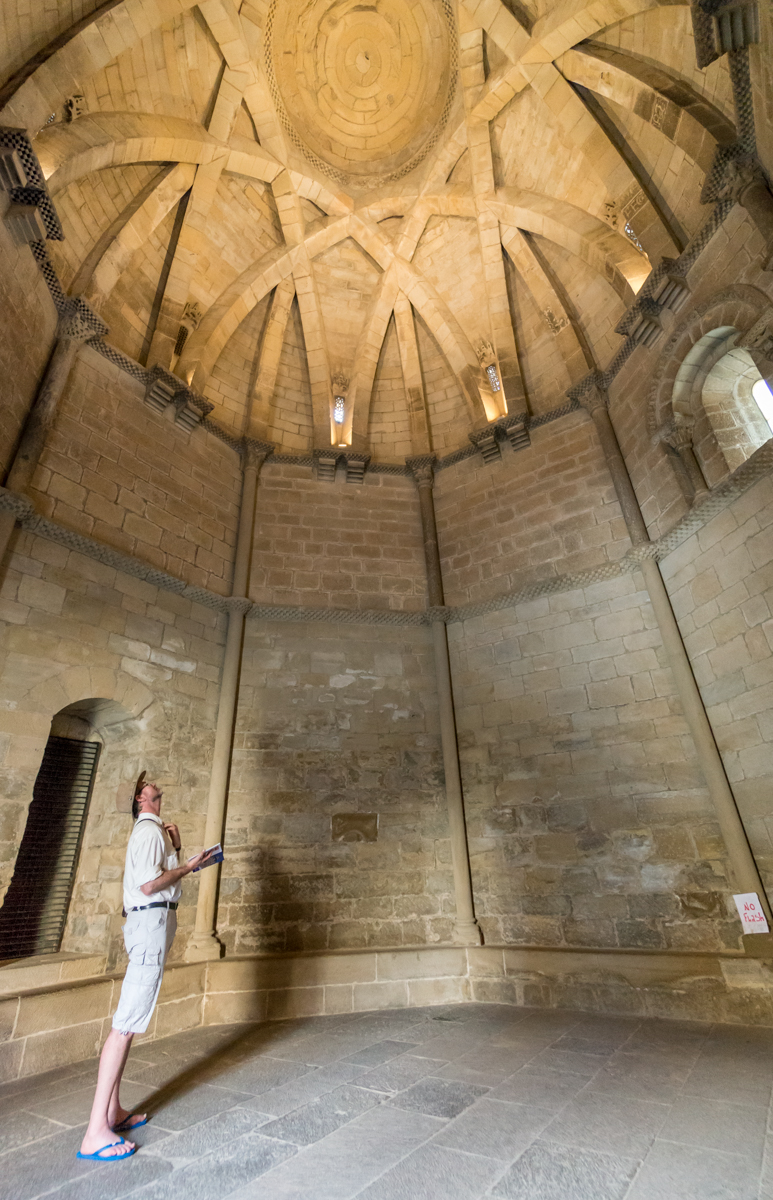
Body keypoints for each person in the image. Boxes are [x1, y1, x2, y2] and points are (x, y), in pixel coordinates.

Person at [77, 777, 210, 1162]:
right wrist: (187, 865)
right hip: (150, 925)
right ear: (141, 799)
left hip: (151, 925)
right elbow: (151, 886)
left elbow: (153, 880)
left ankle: (112, 1112)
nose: (155, 787)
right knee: (124, 1026)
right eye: (148, 786)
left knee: (131, 1022)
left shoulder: (154, 833)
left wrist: (180, 851)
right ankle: (94, 1132)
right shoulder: (148, 832)